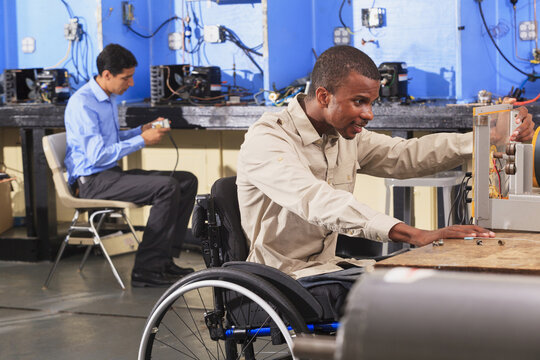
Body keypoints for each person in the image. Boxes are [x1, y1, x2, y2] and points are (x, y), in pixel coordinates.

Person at [237, 45, 534, 302]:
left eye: (372, 103)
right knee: (413, 294)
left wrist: (485, 139)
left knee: (434, 278)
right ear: (324, 96)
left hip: (330, 269)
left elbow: (404, 154)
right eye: (359, 102)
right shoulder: (268, 140)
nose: (369, 114)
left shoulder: (340, 136)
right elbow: (317, 200)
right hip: (282, 279)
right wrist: (415, 234)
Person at [64, 44, 198, 288]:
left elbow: (110, 143)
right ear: (107, 75)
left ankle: (164, 261)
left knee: (186, 180)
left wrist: (142, 130)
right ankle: (146, 270)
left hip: (108, 175)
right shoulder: (83, 104)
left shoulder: (106, 99)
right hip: (92, 183)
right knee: (166, 187)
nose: (132, 83)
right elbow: (96, 158)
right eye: (126, 78)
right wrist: (141, 141)